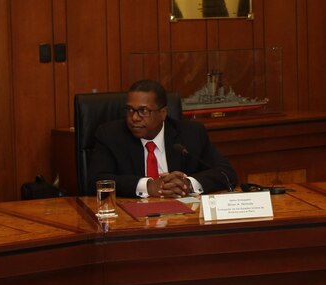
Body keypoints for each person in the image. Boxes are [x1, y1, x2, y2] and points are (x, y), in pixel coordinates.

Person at [88, 79, 237, 198]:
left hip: (181, 219)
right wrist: (148, 186)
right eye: (130, 110)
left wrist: (187, 184)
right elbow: (96, 181)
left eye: (143, 111)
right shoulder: (110, 135)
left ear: (163, 113)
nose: (134, 118)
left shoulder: (191, 134)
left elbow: (226, 173)